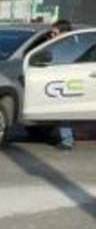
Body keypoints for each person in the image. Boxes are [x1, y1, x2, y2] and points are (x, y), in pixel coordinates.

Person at [48, 19, 75, 150]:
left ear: (63, 32)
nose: (51, 36)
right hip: (62, 81)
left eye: (54, 33)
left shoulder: (67, 46)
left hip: (69, 81)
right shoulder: (68, 44)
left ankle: (67, 140)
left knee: (64, 109)